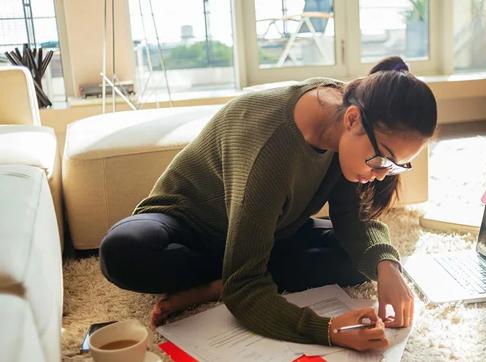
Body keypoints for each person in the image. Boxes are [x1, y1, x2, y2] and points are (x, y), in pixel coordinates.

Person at [99, 56, 437, 352]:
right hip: (189, 225)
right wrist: (328, 330)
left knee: (358, 261)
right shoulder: (272, 150)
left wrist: (387, 267)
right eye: (382, 160)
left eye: (395, 167)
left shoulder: (348, 119)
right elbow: (246, 292)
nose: (380, 175)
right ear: (351, 120)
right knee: (123, 252)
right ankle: (235, 274)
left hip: (270, 228)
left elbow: (352, 219)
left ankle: (218, 283)